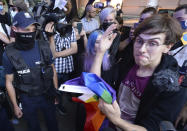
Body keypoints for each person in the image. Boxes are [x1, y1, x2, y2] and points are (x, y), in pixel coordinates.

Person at [90, 14, 187, 131]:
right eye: (139, 41)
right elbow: (95, 85)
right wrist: (100, 52)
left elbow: (151, 127)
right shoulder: (128, 62)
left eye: (153, 43)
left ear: (167, 47)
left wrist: (116, 120)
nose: (142, 49)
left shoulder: (172, 85)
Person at [3, 11, 59, 131]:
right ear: (14, 29)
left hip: (47, 93)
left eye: (33, 29)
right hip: (27, 98)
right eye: (26, 29)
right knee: (33, 126)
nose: (31, 32)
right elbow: (9, 82)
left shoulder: (44, 46)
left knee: (52, 122)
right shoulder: (9, 54)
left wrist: (55, 91)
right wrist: (15, 106)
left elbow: (52, 69)